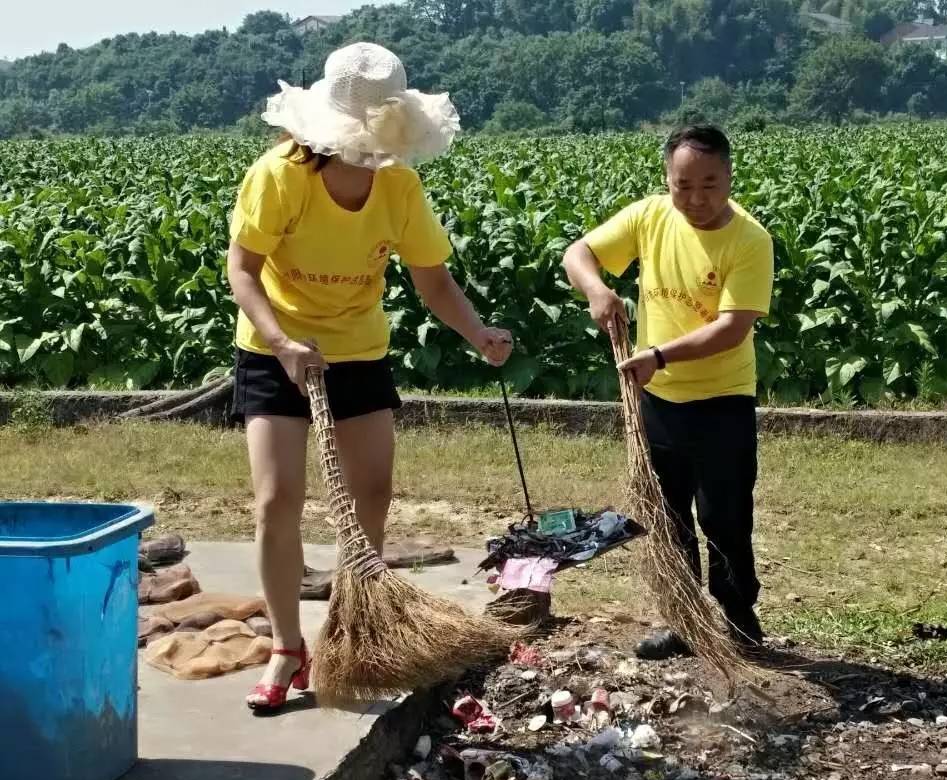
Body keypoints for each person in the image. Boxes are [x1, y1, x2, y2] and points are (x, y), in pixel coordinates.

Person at [227, 42, 513, 712]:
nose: (368, 153)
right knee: (277, 500)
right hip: (275, 350)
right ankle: (286, 646)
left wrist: (478, 333)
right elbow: (243, 271)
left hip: (358, 350)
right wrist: (282, 341)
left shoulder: (400, 187)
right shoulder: (278, 177)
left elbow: (432, 277)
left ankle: (353, 628)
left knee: (373, 494)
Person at [562, 124, 774, 660]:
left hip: (722, 397)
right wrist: (598, 289)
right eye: (684, 185)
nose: (696, 199)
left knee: (724, 513)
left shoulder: (749, 240)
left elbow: (732, 327)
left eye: (710, 184)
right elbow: (578, 252)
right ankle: (684, 619)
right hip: (657, 401)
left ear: (729, 178)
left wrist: (659, 356)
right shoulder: (650, 215)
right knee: (667, 513)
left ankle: (738, 614)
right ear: (667, 179)